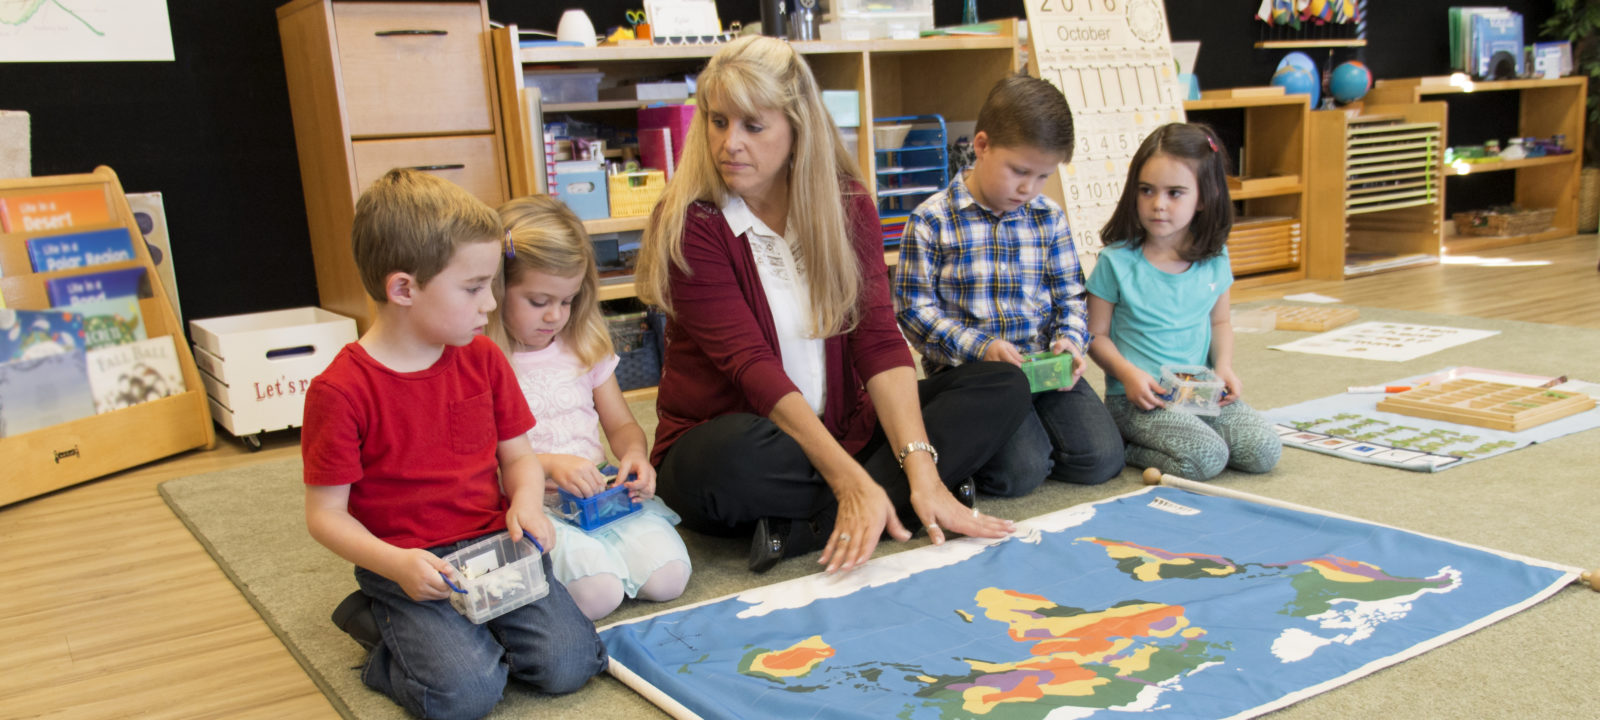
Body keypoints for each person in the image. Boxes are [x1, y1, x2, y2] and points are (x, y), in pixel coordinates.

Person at [635, 35, 1030, 575]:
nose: (730, 143)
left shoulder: (844, 201)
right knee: (727, 461)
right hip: (743, 438)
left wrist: (922, 469)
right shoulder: (691, 222)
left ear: (798, 128)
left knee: (1001, 385)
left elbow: (878, 339)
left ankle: (822, 521)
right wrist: (847, 479)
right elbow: (752, 369)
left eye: (753, 125)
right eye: (718, 121)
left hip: (844, 427)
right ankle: (866, 498)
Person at [301, 169, 607, 720]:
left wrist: (526, 504)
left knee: (572, 663)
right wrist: (396, 565)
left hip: (492, 546)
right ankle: (381, 641)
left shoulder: (484, 359)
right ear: (403, 289)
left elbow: (518, 458)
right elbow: (326, 516)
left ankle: (463, 640)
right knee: (464, 697)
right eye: (472, 289)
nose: (489, 304)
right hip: (409, 563)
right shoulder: (339, 391)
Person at [893, 75, 1124, 495]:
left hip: (1043, 369)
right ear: (981, 146)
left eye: (1042, 176)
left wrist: (1070, 342)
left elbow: (1070, 296)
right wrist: (981, 347)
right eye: (1019, 171)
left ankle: (1035, 439)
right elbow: (913, 312)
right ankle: (984, 444)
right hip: (976, 379)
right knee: (1020, 475)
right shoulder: (931, 220)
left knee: (1102, 459)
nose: (1028, 188)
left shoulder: (1047, 217)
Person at [487, 195, 690, 621]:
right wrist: (546, 465)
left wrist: (634, 456)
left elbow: (621, 426)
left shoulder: (582, 345)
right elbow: (477, 456)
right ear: (496, 288)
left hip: (597, 495)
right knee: (598, 595)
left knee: (669, 577)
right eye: (539, 302)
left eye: (568, 301)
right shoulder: (484, 359)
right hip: (532, 506)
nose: (555, 316)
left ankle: (600, 557)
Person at [1085, 123, 1281, 481]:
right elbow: (1095, 336)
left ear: (1204, 198)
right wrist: (1128, 375)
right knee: (1206, 459)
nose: (1158, 204)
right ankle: (1124, 445)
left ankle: (1191, 437)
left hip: (1199, 393)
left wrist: (1224, 367)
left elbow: (1220, 322)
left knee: (1264, 450)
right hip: (1140, 401)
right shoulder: (1116, 261)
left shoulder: (1215, 257)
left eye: (1175, 193)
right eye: (1147, 191)